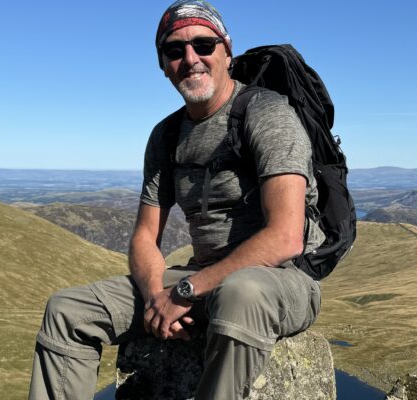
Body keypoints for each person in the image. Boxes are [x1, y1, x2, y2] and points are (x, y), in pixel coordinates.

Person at [28, 1, 324, 399]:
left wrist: (185, 292)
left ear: (227, 52)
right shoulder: (166, 135)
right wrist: (156, 298)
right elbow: (144, 238)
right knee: (67, 311)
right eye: (174, 50)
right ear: (162, 64)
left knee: (242, 292)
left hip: (280, 281)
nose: (190, 59)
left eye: (203, 45)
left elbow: (286, 237)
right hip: (202, 280)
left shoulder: (266, 114)